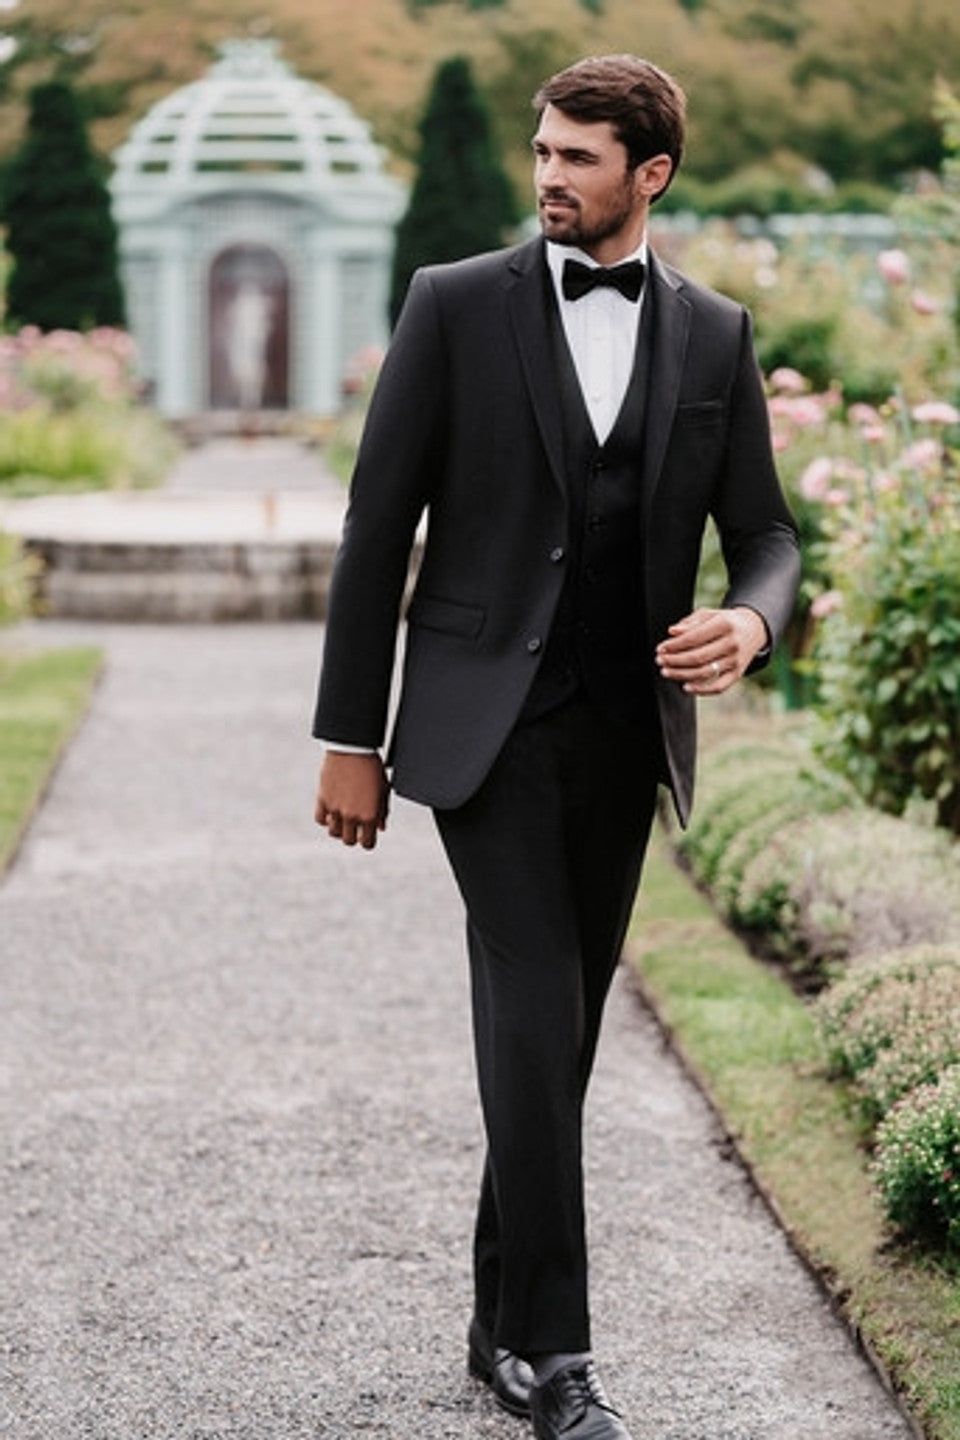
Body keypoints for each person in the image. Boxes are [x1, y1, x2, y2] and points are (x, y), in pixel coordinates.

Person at [312, 54, 800, 1440]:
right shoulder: (455, 306)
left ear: (650, 175)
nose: (547, 177)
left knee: (559, 1034)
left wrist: (750, 627)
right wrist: (351, 734)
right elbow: (374, 528)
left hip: (626, 725)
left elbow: (765, 532)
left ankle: (491, 1315)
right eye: (542, 151)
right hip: (483, 728)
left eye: (580, 158)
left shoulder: (714, 333)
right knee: (535, 1007)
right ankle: (556, 1358)